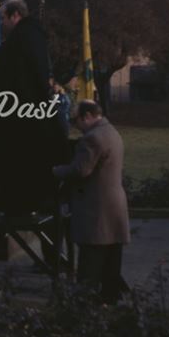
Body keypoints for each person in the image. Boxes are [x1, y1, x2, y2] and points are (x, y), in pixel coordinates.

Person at [0, 0, 68, 215]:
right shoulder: (32, 36)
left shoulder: (22, 38)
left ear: (15, 15)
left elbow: (12, 75)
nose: (2, 24)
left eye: (3, 18)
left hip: (20, 118)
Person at [52, 100, 130, 304]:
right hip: (114, 205)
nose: (75, 125)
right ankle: (110, 298)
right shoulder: (111, 131)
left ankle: (86, 305)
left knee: (90, 262)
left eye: (75, 120)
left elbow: (80, 170)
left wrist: (55, 171)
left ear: (87, 116)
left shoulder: (92, 139)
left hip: (96, 208)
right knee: (111, 258)